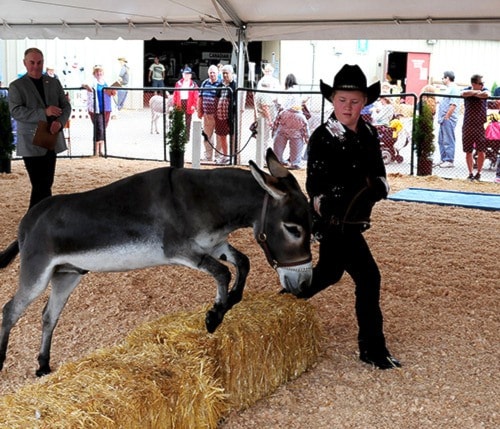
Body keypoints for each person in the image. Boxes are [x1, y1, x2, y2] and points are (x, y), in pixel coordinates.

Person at [298, 64, 401, 370]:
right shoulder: (323, 137)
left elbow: (379, 176)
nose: (348, 106)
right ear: (333, 100)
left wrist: (377, 187)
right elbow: (314, 187)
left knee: (329, 273)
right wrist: (330, 207)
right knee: (369, 277)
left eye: (355, 100)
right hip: (334, 223)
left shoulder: (369, 132)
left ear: (364, 102)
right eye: (343, 100)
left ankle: (279, 304)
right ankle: (372, 349)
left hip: (355, 220)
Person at [8, 47, 71, 208]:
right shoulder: (16, 86)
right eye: (32, 62)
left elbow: (66, 106)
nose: (36, 66)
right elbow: (16, 112)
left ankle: (39, 220)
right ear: (25, 63)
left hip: (50, 137)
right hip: (31, 141)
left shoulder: (53, 82)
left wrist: (60, 121)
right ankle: (36, 219)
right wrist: (44, 112)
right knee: (40, 184)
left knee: (46, 183)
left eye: (39, 62)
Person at [272, 73, 310, 169]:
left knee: (279, 141)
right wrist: (307, 138)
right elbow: (305, 127)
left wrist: (273, 130)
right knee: (297, 142)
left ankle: (278, 160)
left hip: (285, 118)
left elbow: (280, 105)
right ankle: (295, 162)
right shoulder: (297, 91)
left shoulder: (285, 92)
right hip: (297, 118)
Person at [82, 65, 116, 156]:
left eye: (100, 71)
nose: (99, 73)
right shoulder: (92, 82)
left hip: (106, 108)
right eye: (97, 72)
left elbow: (111, 93)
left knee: (103, 128)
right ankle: (96, 151)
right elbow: (84, 84)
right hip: (96, 108)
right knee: (99, 128)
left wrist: (113, 92)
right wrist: (86, 86)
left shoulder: (105, 82)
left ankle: (101, 150)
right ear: (94, 73)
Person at [461, 74, 490, 181]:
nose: (483, 85)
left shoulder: (485, 90)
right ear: (474, 84)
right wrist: (476, 93)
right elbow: (463, 93)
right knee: (468, 151)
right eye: (480, 83)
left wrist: (474, 93)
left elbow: (486, 94)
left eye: (483, 83)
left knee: (481, 150)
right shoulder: (466, 90)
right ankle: (470, 173)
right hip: (468, 125)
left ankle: (479, 172)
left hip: (480, 125)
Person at [436, 71, 460, 168]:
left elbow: (453, 104)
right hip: (443, 119)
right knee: (441, 140)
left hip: (448, 119)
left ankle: (449, 160)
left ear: (447, 78)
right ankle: (443, 159)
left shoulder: (454, 88)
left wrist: (447, 116)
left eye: (443, 78)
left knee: (448, 139)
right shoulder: (448, 89)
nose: (442, 80)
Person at [214, 64, 237, 164]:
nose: (225, 75)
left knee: (232, 136)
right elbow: (216, 99)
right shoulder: (220, 85)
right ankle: (225, 155)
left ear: (231, 73)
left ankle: (232, 156)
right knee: (222, 136)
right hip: (220, 116)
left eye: (226, 73)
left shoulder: (235, 85)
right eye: (223, 73)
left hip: (230, 116)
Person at [197, 64, 220, 161]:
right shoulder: (204, 83)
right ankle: (208, 156)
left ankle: (218, 157)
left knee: (219, 137)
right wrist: (199, 111)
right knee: (207, 136)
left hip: (219, 116)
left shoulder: (221, 84)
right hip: (207, 115)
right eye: (210, 73)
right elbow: (200, 98)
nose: (212, 74)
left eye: (214, 72)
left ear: (217, 73)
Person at [172, 66, 199, 141]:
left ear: (190, 75)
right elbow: (175, 94)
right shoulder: (178, 83)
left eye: (188, 74)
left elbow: (196, 95)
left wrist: (194, 105)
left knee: (188, 121)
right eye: (185, 74)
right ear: (183, 74)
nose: (186, 75)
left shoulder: (193, 84)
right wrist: (174, 103)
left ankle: (186, 137)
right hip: (180, 102)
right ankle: (178, 136)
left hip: (189, 103)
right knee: (178, 120)